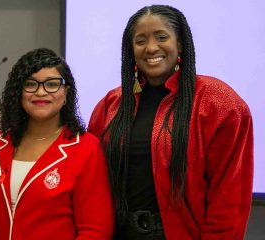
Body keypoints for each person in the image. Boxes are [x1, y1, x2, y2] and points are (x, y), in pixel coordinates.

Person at [88, 5, 253, 240]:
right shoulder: (111, 104)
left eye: (162, 37)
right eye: (141, 40)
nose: (151, 47)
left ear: (181, 44)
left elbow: (230, 199)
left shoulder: (219, 103)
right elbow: (92, 184)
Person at [0, 48, 114, 240]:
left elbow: (95, 231)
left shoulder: (86, 148)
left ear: (66, 92)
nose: (41, 92)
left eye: (52, 84)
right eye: (30, 84)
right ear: (18, 92)